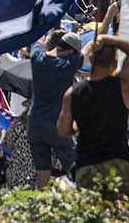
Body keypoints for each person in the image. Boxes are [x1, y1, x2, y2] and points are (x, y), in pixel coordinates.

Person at [57, 32, 129, 196]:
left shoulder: (72, 93)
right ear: (115, 63)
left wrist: (76, 128)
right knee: (121, 216)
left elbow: (62, 130)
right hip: (118, 163)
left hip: (87, 165)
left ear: (91, 60)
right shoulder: (122, 86)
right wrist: (106, 39)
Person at [27, 28, 84, 187]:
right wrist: (109, 16)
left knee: (42, 176)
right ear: (71, 51)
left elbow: (36, 39)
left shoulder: (37, 58)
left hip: (34, 124)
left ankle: (39, 207)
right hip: (56, 126)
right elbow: (91, 49)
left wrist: (46, 23)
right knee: (78, 171)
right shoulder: (67, 64)